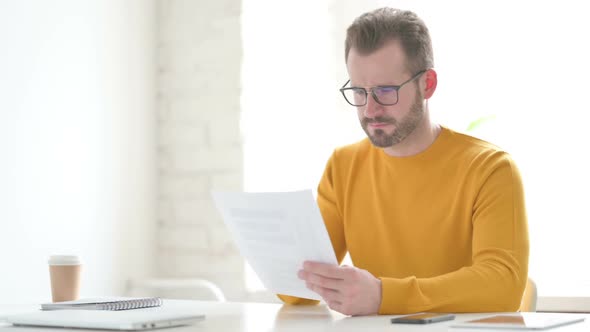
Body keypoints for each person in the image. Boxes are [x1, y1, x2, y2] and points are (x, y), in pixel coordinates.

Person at [278, 7, 529, 316]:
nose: (370, 109)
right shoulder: (343, 166)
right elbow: (296, 291)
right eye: (359, 91)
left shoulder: (490, 169)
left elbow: (503, 287)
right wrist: (279, 254)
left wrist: (384, 295)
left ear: (428, 84)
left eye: (385, 90)